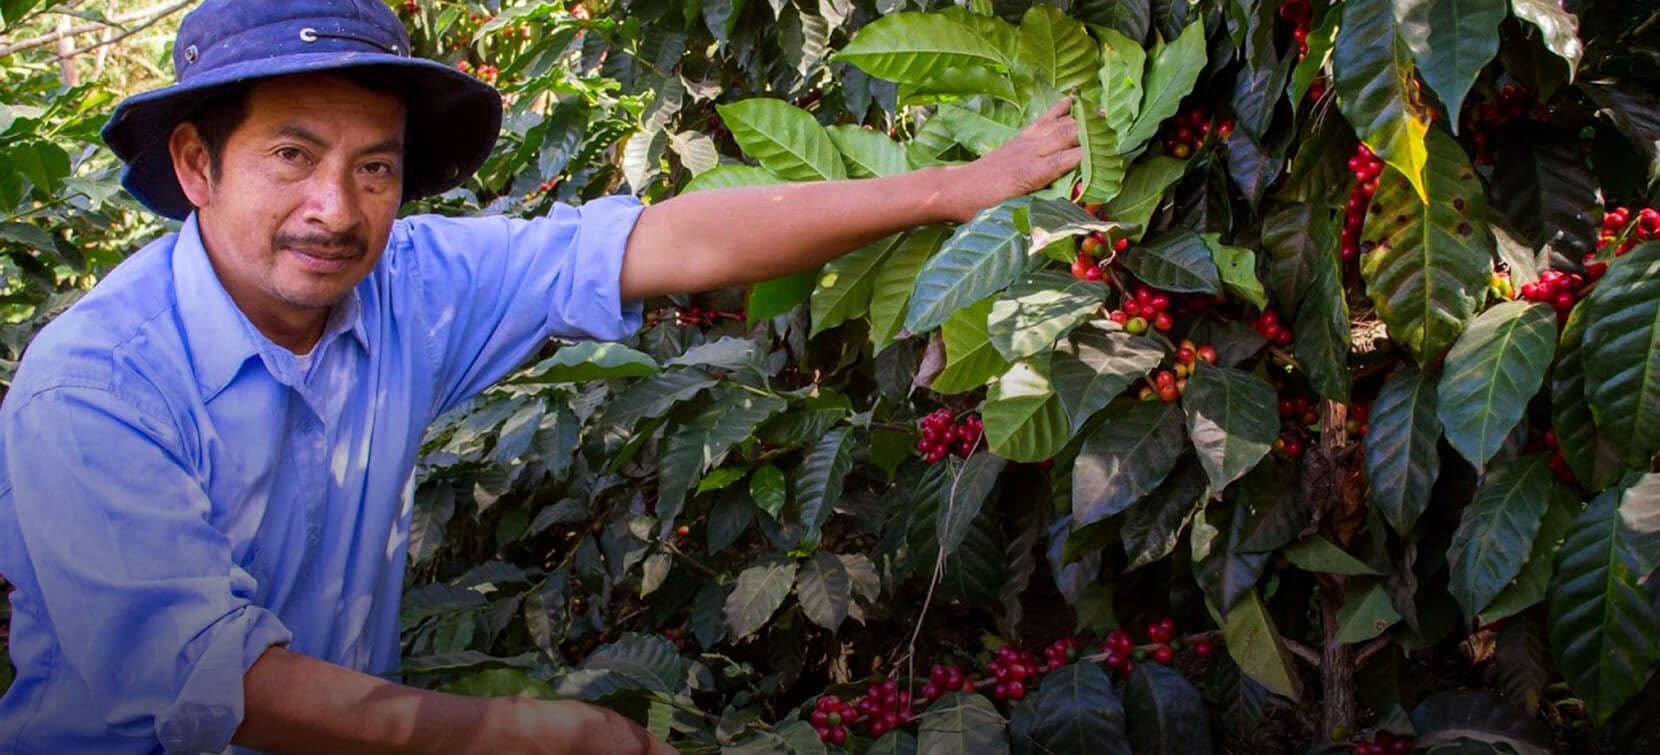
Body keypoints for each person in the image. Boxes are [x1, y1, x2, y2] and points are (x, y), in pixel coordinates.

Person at [0, 0, 1081, 753]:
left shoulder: (407, 285)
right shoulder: (91, 387)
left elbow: (668, 241)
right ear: (196, 162)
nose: (336, 207)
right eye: (290, 155)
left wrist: (955, 188)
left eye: (374, 166)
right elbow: (212, 685)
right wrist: (516, 730)